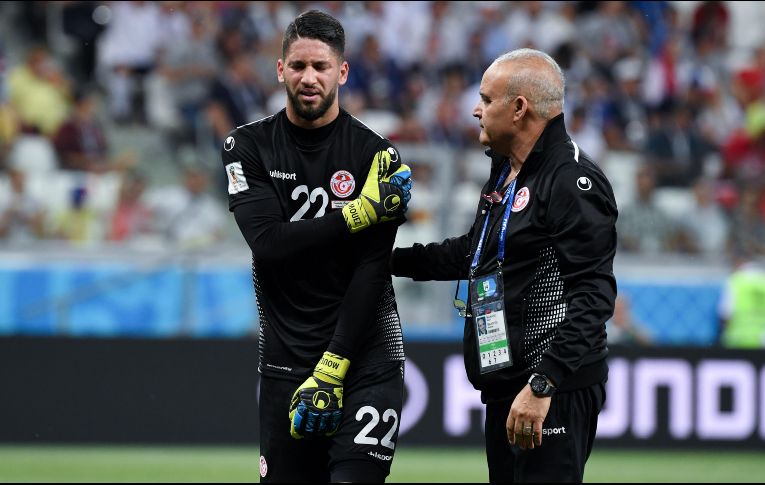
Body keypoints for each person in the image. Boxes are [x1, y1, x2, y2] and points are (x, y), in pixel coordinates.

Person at [391, 48, 618, 482]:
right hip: (507, 382)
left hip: (550, 386)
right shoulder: (506, 170)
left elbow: (594, 295)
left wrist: (543, 384)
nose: (476, 110)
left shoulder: (571, 181)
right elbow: (473, 251)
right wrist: (387, 260)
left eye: (486, 99)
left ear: (519, 109)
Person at [221, 10, 412, 483]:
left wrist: (335, 364)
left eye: (321, 67)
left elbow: (372, 269)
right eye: (299, 65)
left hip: (366, 357)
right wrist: (358, 214)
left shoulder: (376, 156)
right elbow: (267, 244)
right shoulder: (246, 147)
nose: (310, 78)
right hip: (286, 360)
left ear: (342, 72)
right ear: (280, 68)